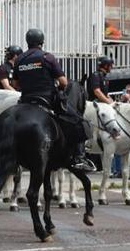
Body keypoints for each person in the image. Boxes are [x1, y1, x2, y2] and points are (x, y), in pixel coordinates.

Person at [12, 28, 94, 171]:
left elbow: (15, 85)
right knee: (79, 121)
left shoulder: (20, 59)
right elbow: (63, 82)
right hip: (47, 100)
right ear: (42, 42)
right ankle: (79, 158)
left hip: (26, 101)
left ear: (27, 42)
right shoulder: (47, 57)